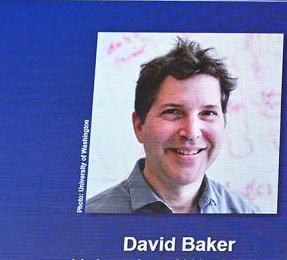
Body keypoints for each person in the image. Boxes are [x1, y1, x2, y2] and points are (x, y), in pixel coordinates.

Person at [86, 38, 258, 214]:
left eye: (208, 113)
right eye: (172, 112)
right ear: (139, 126)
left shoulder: (249, 216)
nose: (191, 133)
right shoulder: (90, 218)